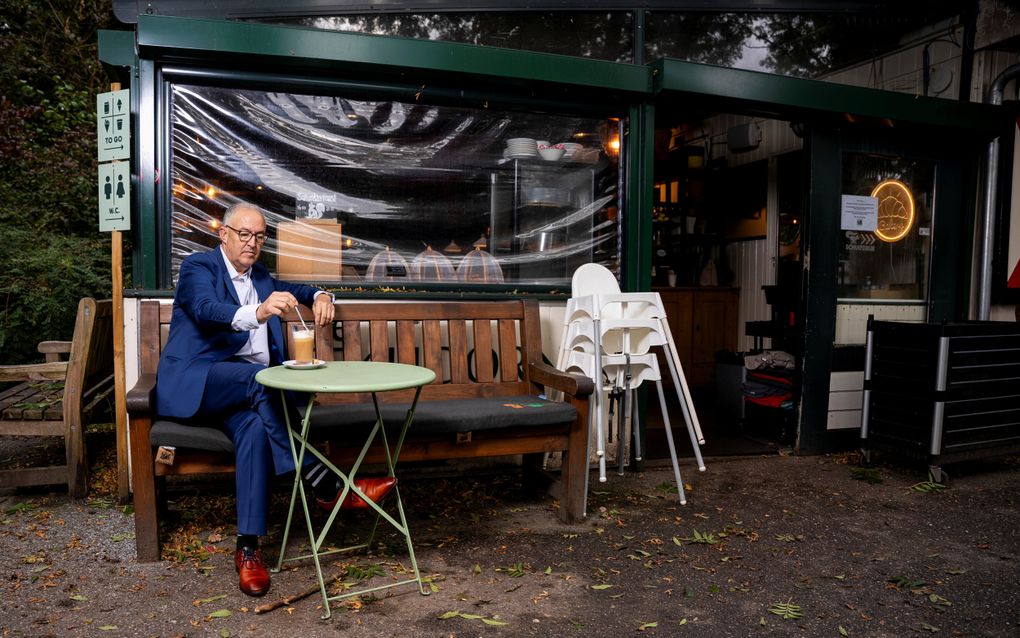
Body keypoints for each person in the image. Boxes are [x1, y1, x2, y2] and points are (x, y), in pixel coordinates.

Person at [155, 203, 393, 597]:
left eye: (260, 237)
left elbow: (298, 290)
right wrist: (258, 311)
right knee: (261, 379)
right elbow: (206, 309)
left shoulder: (261, 274)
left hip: (245, 397)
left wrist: (320, 294)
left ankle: (247, 548)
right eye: (244, 234)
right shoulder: (199, 267)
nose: (252, 243)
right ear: (224, 234)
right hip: (200, 383)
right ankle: (325, 482)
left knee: (253, 430)